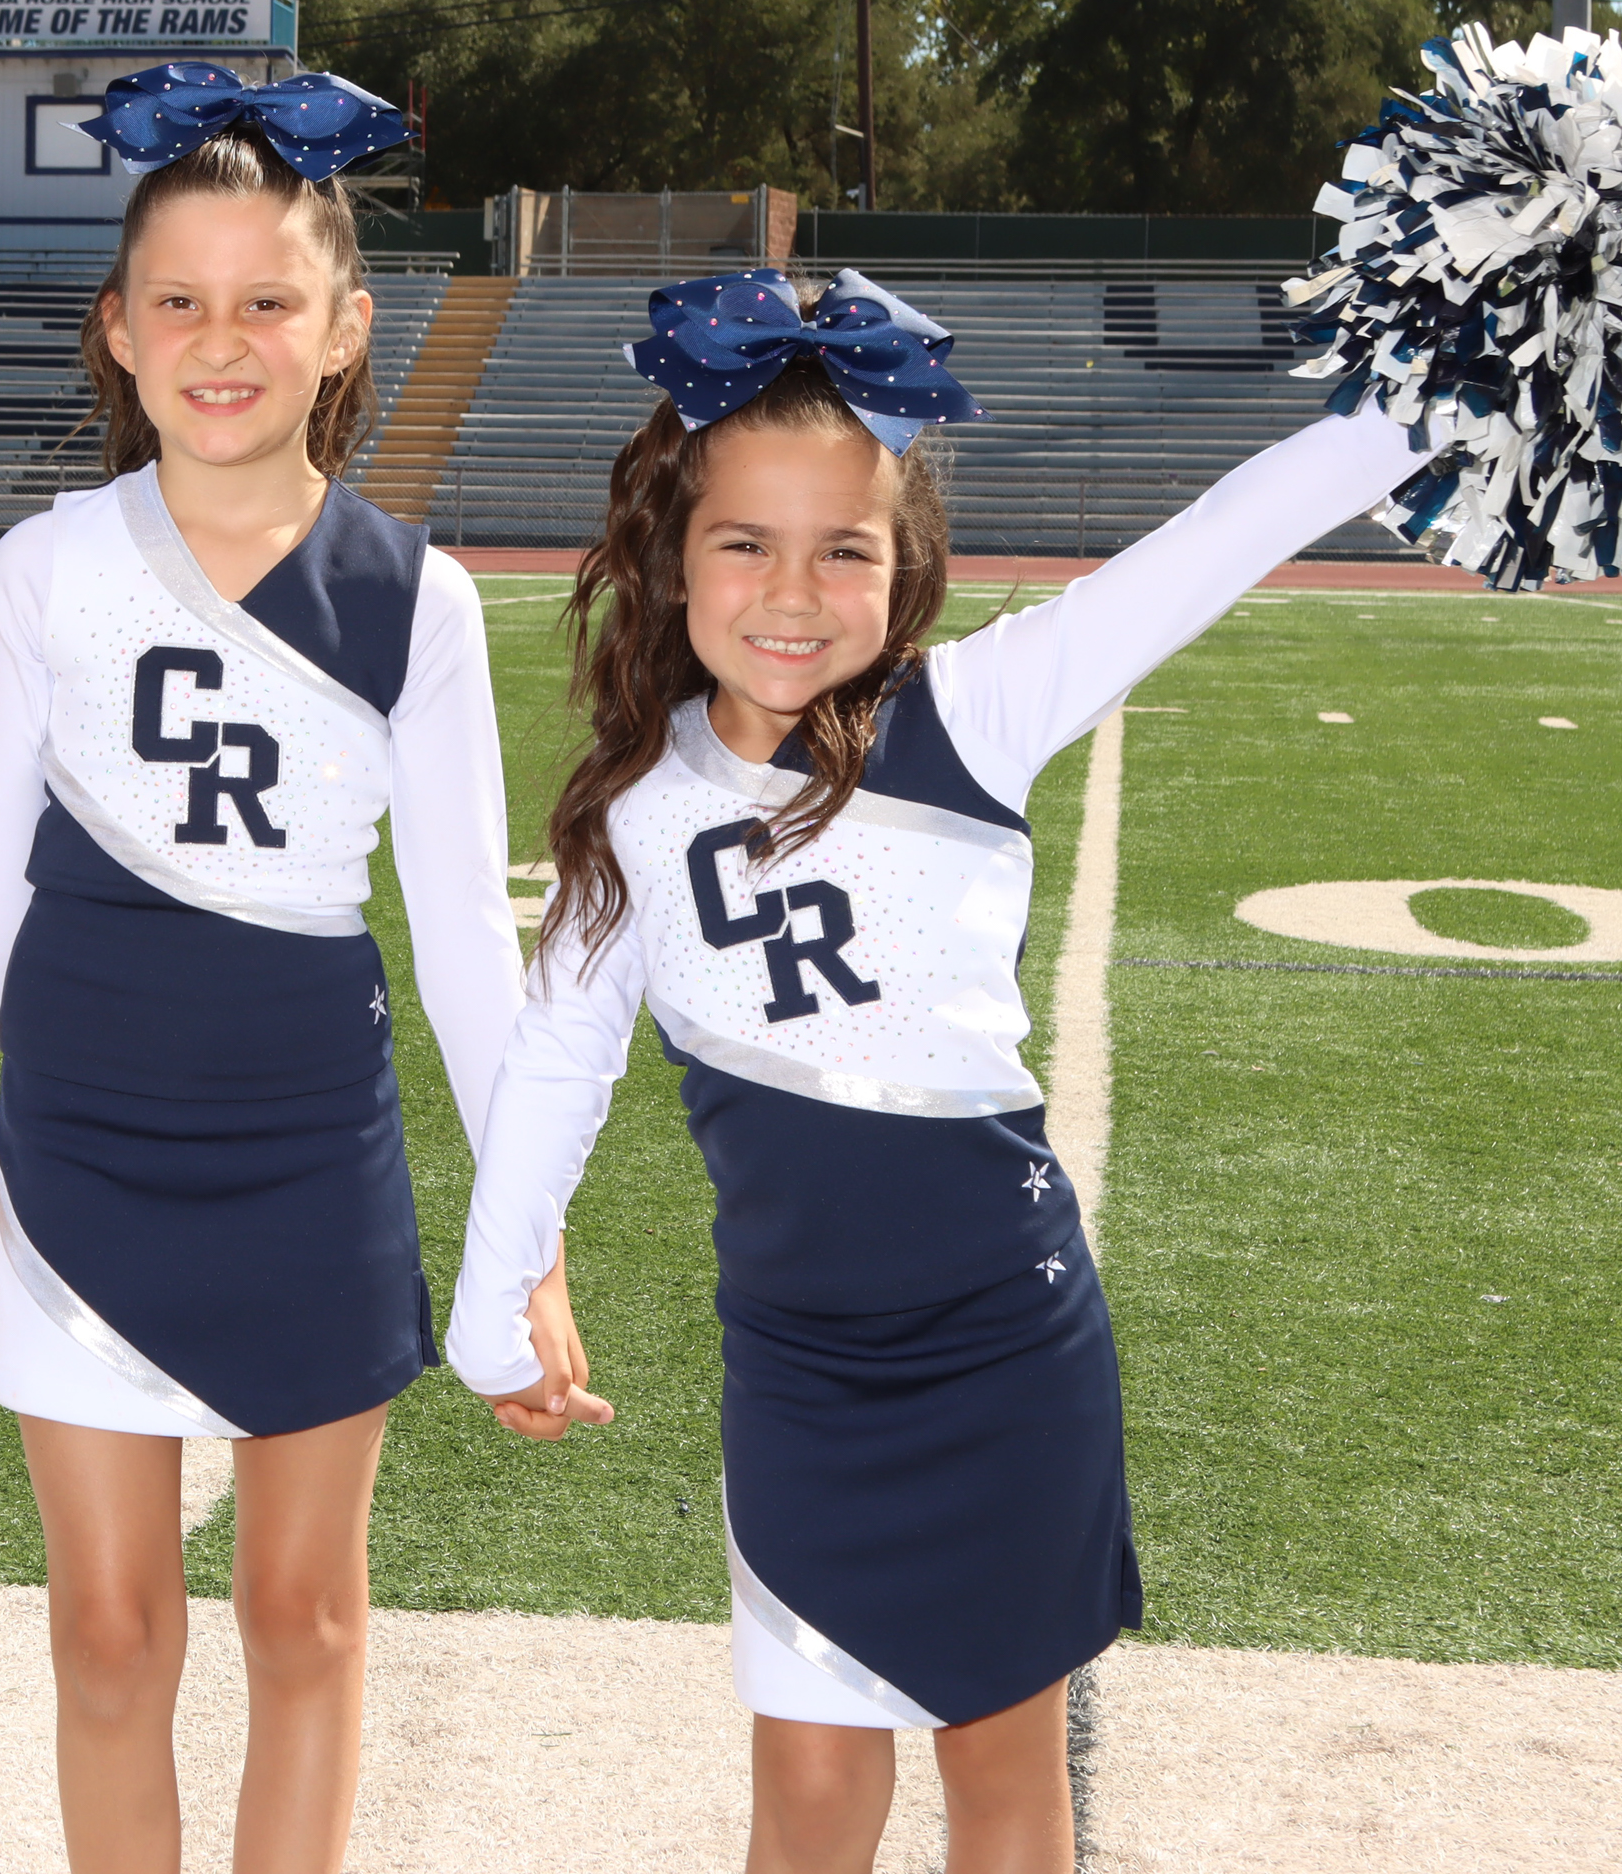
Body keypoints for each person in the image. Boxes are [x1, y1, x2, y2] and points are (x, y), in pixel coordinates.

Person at [446, 269, 1430, 1873]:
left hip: (1005, 1349)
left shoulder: (970, 713)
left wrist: (1448, 397)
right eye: (745, 543)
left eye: (845, 549)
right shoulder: (629, 816)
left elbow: (1224, 535)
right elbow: (556, 1064)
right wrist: (492, 1309)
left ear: (904, 569)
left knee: (1005, 1780)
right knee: (809, 1799)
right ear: (673, 557)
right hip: (800, 1372)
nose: (793, 591)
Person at [0, 63, 528, 1873]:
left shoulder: (417, 598)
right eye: (178, 300)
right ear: (118, 326)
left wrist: (528, 1225)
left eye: (266, 302)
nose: (219, 342)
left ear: (344, 330)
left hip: (309, 1152)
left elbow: (467, 936)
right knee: (106, 1634)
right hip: (82, 1152)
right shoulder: (46, 567)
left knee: (302, 1620)